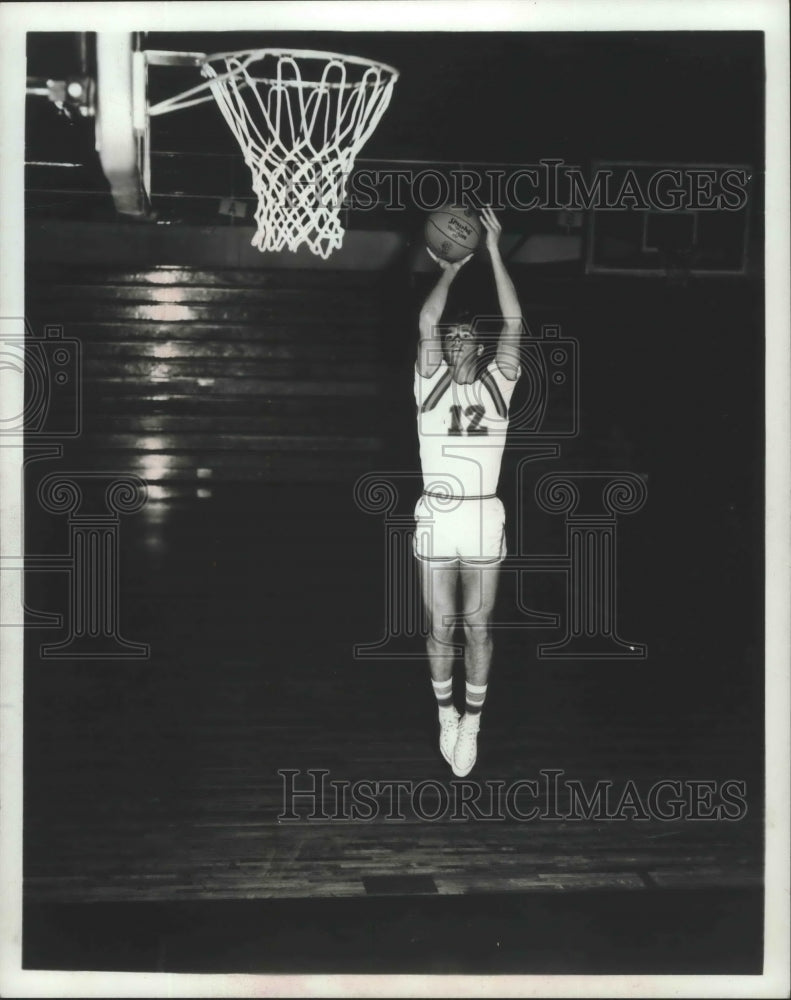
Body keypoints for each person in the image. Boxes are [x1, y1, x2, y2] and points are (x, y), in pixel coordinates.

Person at [414, 206, 522, 777]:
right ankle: (445, 715)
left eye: (465, 337)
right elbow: (427, 321)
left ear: (477, 348)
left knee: (478, 627)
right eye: (450, 337)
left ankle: (473, 723)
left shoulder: (500, 385)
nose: (454, 342)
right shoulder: (428, 384)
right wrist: (453, 268)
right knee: (440, 627)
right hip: (437, 513)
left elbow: (515, 323)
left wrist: (495, 252)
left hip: (483, 517)